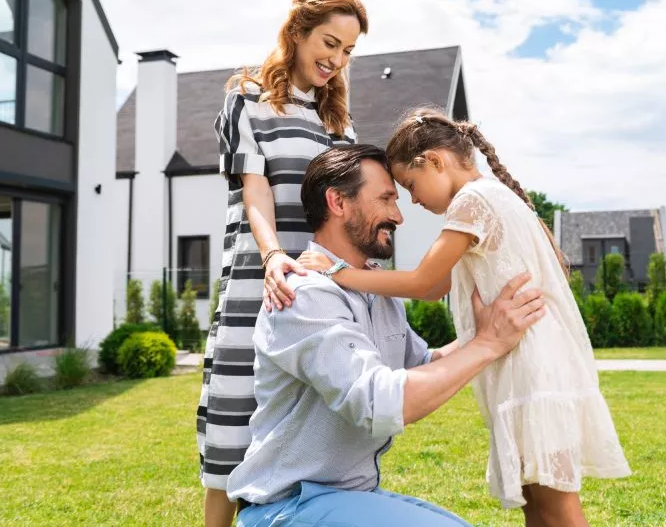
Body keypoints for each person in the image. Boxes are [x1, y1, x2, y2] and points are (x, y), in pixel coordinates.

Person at [300, 110, 632, 527]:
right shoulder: (493, 198)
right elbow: (439, 287)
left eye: (411, 186)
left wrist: (338, 273)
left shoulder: (472, 202)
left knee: (558, 506)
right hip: (529, 362)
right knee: (539, 502)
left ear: (434, 161)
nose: (414, 202)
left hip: (531, 367)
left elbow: (424, 283)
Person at [228, 145, 548, 527]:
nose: (398, 216)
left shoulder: (375, 290)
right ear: (338, 202)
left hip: (348, 496)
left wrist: (488, 332)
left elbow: (423, 366)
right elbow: (379, 403)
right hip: (286, 507)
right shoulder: (303, 296)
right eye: (386, 199)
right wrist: (486, 344)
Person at [197, 0, 368, 527]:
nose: (336, 59)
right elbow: (257, 191)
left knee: (310, 450)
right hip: (258, 285)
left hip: (319, 299)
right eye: (329, 42)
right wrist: (273, 258)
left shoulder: (339, 125)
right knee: (231, 447)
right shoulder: (246, 99)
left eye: (347, 51)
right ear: (296, 33)